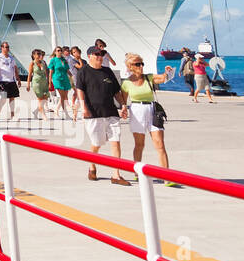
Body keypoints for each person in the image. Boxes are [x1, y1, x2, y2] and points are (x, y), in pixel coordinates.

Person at [74, 45, 132, 184]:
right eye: (97, 54)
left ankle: (116, 175)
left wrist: (123, 105)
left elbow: (116, 92)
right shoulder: (84, 71)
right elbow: (79, 90)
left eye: (102, 54)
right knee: (97, 143)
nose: (100, 57)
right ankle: (92, 165)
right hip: (93, 113)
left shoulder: (107, 71)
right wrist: (83, 107)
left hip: (111, 112)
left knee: (115, 142)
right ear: (89, 56)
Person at [119, 55, 180, 187]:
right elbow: (123, 100)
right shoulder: (127, 83)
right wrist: (123, 109)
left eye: (142, 64)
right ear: (130, 67)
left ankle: (166, 176)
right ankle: (137, 173)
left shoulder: (149, 77)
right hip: (136, 111)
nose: (141, 66)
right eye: (137, 64)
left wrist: (168, 71)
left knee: (160, 144)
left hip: (152, 111)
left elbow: (164, 78)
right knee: (139, 144)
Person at [0, 41, 21, 121]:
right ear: (2, 48)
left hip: (11, 81)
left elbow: (15, 68)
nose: (7, 49)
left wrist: (18, 79)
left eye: (8, 47)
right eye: (6, 47)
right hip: (2, 80)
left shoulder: (11, 58)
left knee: (12, 98)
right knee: (3, 98)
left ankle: (12, 115)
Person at [48, 46, 73, 119]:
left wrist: (72, 77)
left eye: (60, 50)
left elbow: (67, 70)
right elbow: (50, 72)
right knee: (62, 96)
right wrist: (50, 82)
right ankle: (66, 114)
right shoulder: (53, 60)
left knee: (64, 97)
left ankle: (56, 109)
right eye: (58, 50)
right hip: (57, 79)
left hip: (65, 78)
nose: (59, 52)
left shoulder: (64, 60)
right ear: (55, 52)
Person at [28, 48, 51, 120]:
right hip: (36, 83)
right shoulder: (32, 63)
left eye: (40, 53)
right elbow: (29, 74)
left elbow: (46, 72)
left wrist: (49, 82)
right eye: (38, 54)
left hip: (44, 82)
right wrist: (28, 84)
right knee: (40, 99)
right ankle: (43, 115)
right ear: (34, 55)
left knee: (46, 97)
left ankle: (36, 111)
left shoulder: (43, 62)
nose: (39, 55)